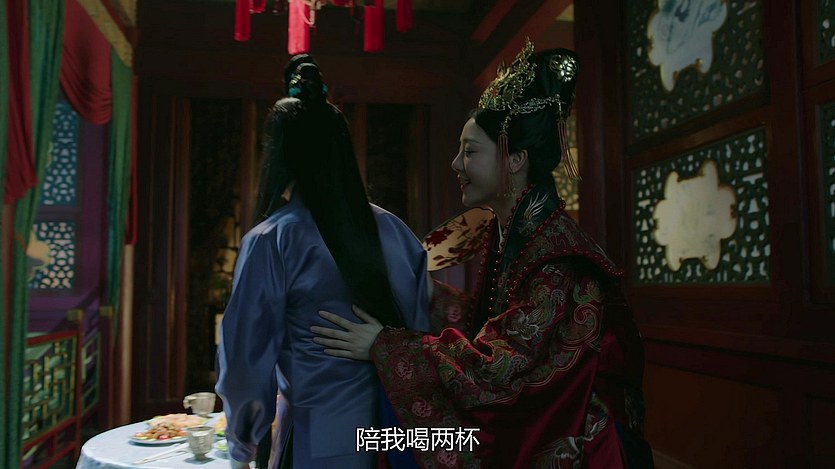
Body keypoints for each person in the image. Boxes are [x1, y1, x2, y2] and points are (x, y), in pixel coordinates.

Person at [312, 39, 653, 468]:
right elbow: (497, 327)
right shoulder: (514, 231)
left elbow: (498, 371)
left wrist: (386, 346)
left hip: (572, 441)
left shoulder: (559, 261)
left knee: (383, 441)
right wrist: (428, 293)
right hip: (536, 421)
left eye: (470, 151)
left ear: (515, 160)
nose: (456, 163)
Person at [215, 56, 431, 469]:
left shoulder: (272, 241)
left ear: (281, 156)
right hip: (398, 438)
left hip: (319, 440)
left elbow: (245, 364)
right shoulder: (395, 231)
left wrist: (241, 447)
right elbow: (422, 338)